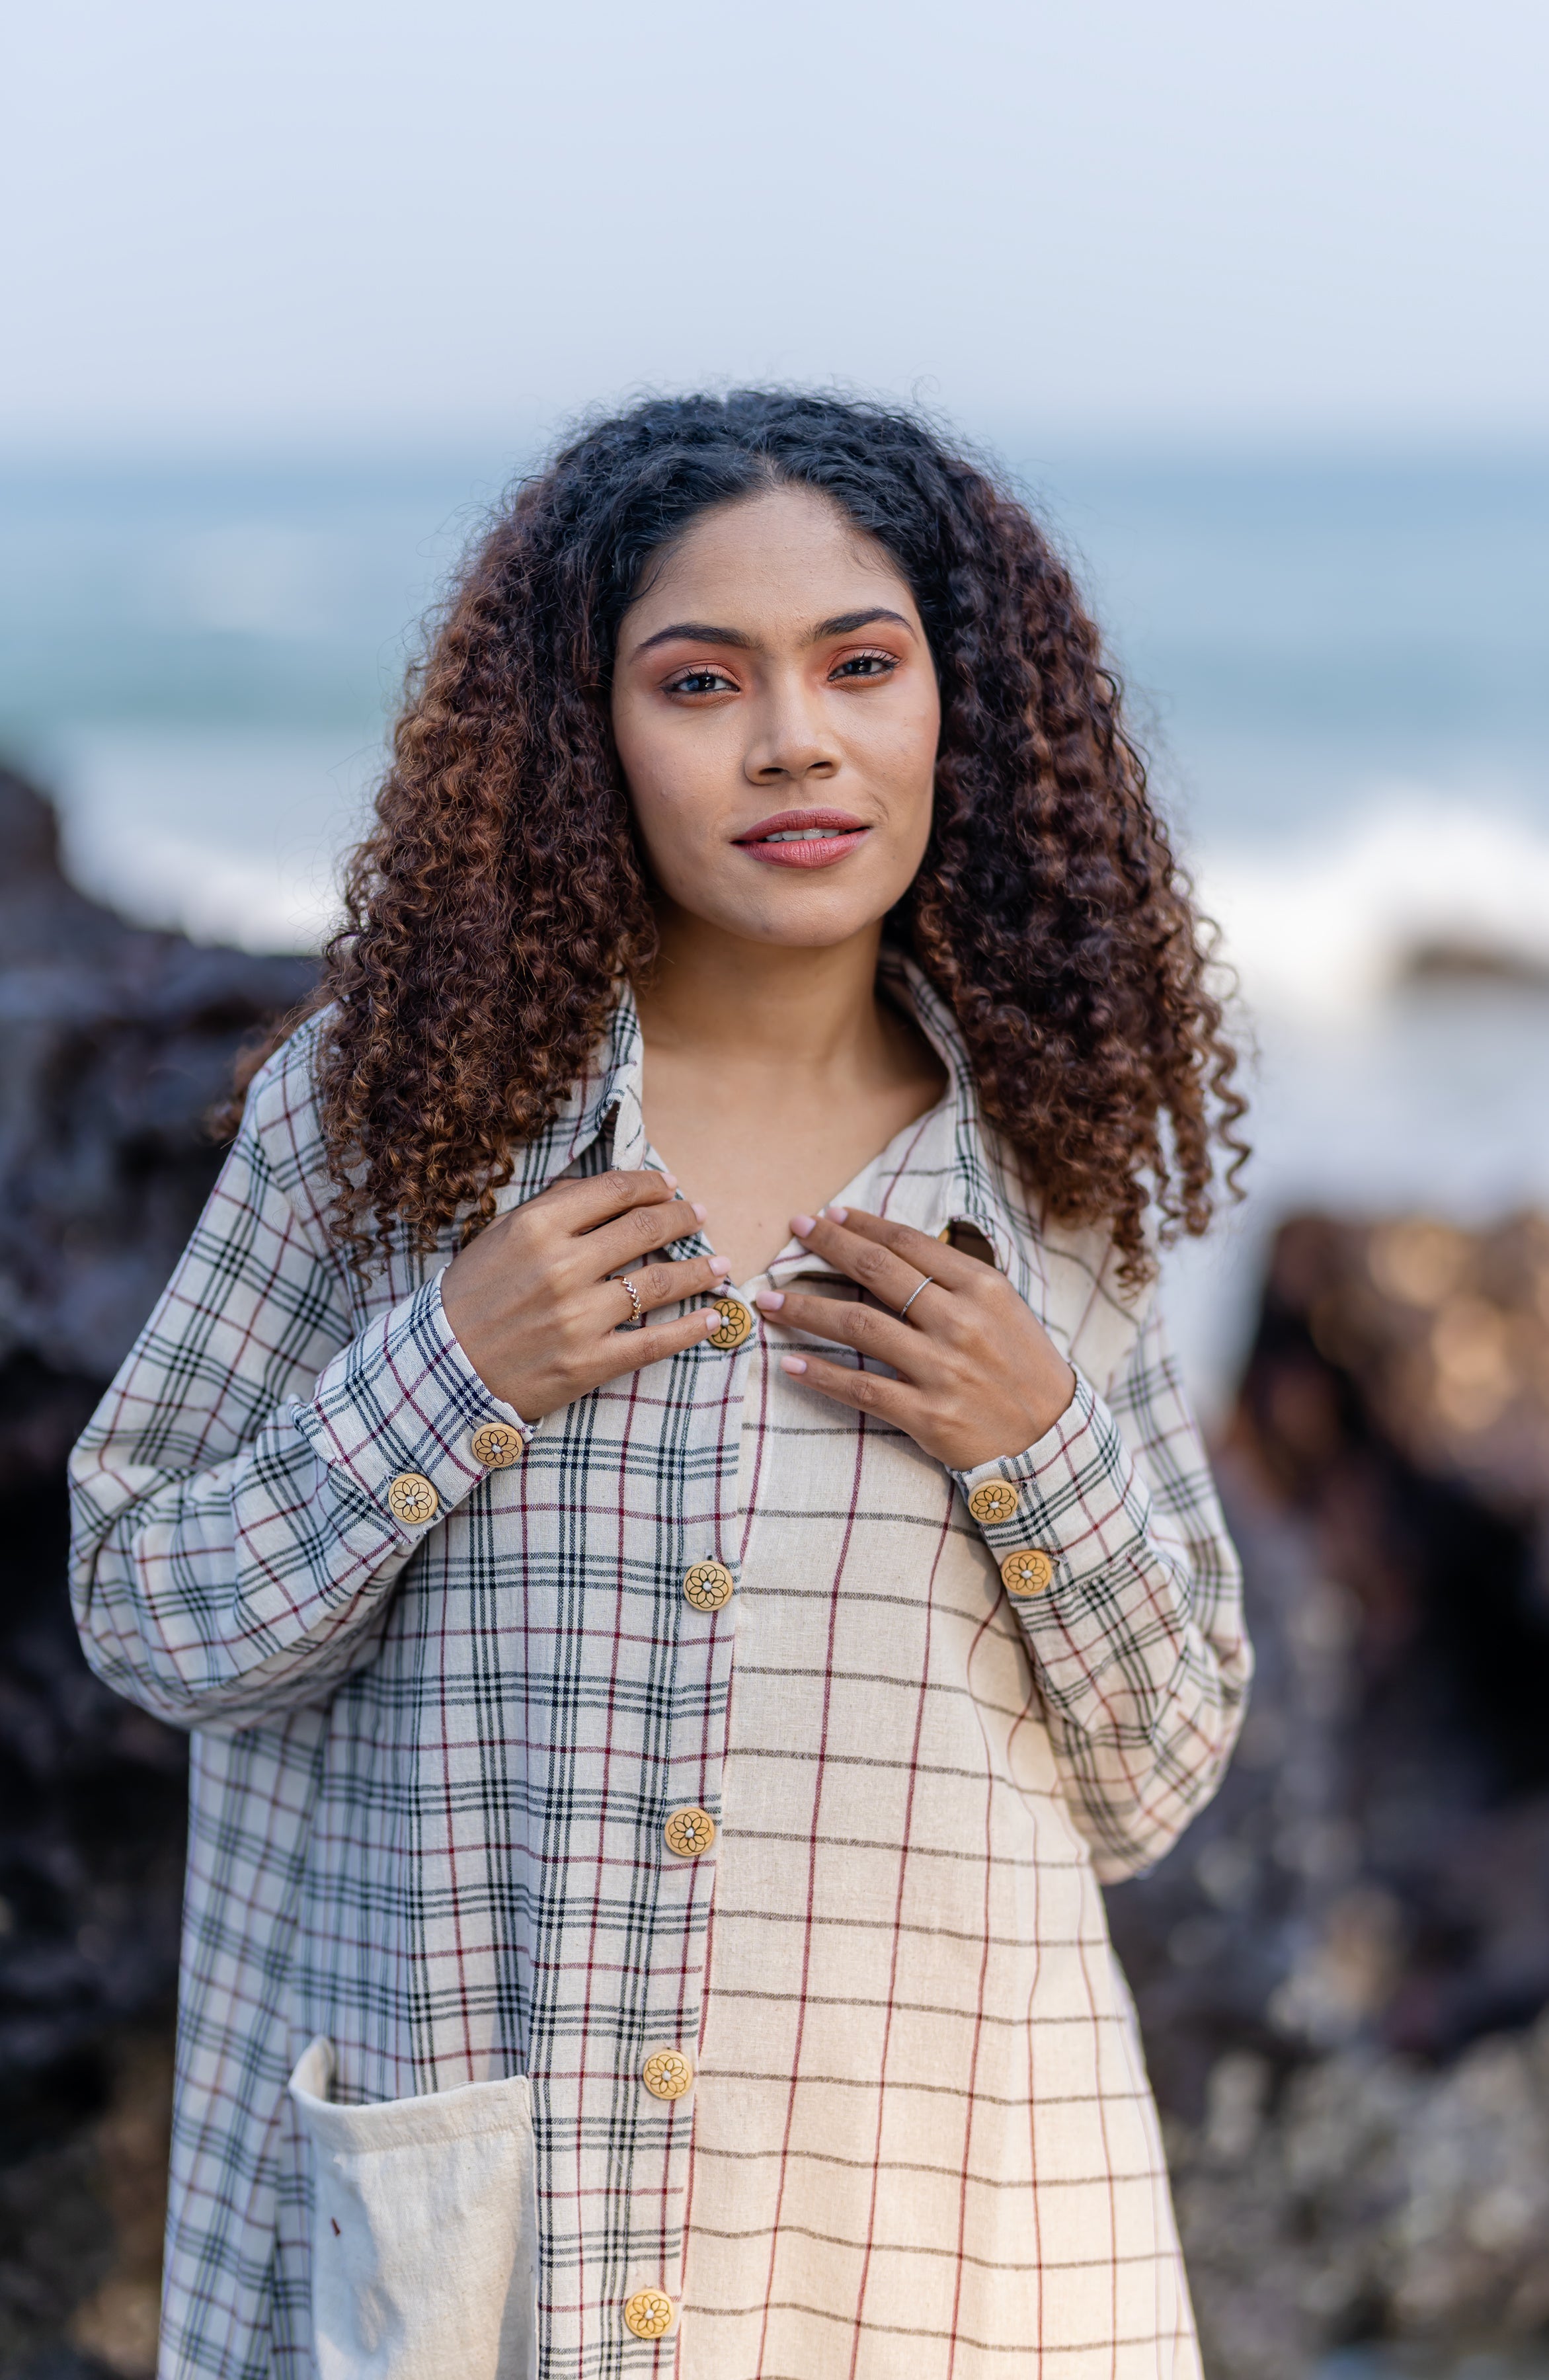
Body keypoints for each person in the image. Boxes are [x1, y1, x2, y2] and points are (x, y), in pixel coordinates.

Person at [71, 391, 1251, 2380]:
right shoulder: (388, 1127)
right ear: (583, 738)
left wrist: (1033, 1446)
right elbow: (144, 1610)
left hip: (943, 2266)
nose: (795, 739)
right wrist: (447, 1377)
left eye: (862, 667)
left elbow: (1151, 1783)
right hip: (485, 2282)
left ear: (958, 707)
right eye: (702, 682)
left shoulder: (1048, 1184)